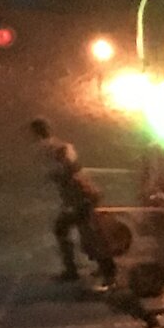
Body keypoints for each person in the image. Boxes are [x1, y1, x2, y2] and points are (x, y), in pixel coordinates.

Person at [33, 119, 114, 285]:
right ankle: (95, 269)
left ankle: (106, 273)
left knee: (89, 234)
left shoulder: (54, 148)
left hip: (80, 197)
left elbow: (68, 170)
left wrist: (58, 175)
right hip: (78, 197)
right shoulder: (62, 146)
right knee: (83, 232)